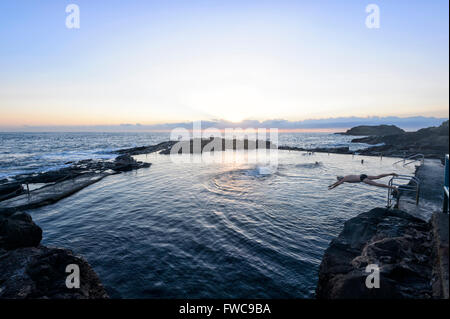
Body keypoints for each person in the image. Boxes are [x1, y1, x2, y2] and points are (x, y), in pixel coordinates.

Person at [328, 173, 399, 192]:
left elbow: (337, 184)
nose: (339, 181)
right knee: (377, 177)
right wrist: (331, 185)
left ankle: (393, 187)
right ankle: (391, 174)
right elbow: (337, 182)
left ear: (340, 179)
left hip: (362, 179)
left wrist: (332, 188)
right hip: (362, 175)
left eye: (339, 180)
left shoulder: (344, 179)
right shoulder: (346, 176)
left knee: (377, 184)